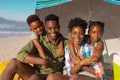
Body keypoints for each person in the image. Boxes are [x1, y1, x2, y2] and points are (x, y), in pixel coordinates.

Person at [0, 14, 69, 80]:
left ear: (59, 27)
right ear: (46, 28)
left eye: (55, 28)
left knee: (41, 77)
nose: (53, 31)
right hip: (37, 73)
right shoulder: (38, 39)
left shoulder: (66, 43)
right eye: (50, 28)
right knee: (14, 62)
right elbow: (20, 54)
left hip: (54, 76)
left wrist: (61, 42)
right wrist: (42, 61)